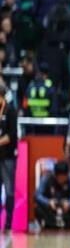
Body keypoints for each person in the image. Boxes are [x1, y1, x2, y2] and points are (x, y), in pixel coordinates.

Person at [35, 160, 70, 229]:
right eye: (59, 178)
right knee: (38, 209)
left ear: (67, 175)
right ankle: (47, 224)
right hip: (50, 207)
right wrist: (48, 202)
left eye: (63, 177)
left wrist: (69, 203)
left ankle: (69, 223)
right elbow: (38, 195)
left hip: (65, 207)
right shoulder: (47, 178)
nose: (61, 180)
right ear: (55, 174)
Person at [0, 82, 17, 232]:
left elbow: (11, 135)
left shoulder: (11, 111)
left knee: (9, 189)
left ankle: (8, 223)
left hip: (8, 157)